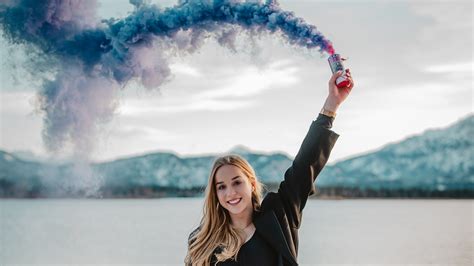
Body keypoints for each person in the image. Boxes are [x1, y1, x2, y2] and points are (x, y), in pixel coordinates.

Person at [185, 70, 354, 266]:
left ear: (252, 184)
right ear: (215, 193)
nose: (230, 192)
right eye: (221, 186)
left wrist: (332, 104)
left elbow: (303, 167)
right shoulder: (202, 241)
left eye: (237, 182)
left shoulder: (279, 216)